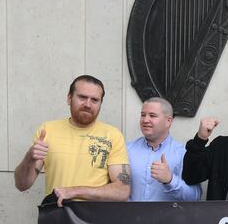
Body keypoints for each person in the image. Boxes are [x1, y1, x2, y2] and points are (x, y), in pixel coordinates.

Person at [14, 75, 130, 206]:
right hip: (57, 216)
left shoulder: (112, 135)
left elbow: (122, 191)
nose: (87, 104)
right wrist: (29, 157)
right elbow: (22, 185)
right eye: (82, 97)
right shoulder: (47, 130)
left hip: (96, 222)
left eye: (94, 100)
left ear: (100, 104)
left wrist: (74, 191)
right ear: (69, 98)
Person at [126, 97, 201, 201]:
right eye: (143, 115)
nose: (145, 120)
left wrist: (170, 180)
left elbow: (195, 196)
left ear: (168, 121)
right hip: (131, 216)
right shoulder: (127, 150)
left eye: (152, 115)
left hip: (168, 217)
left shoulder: (183, 154)